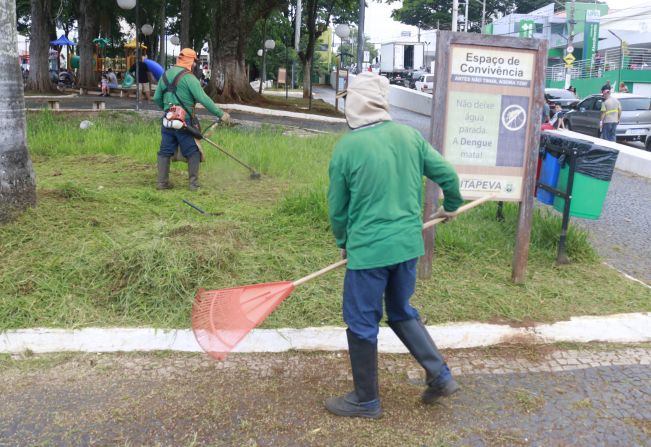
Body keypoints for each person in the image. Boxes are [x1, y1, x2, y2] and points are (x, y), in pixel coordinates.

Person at [325, 72, 463, 419]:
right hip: (406, 247)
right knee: (401, 310)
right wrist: (451, 206)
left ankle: (365, 400)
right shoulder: (409, 136)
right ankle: (441, 376)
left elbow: (338, 210)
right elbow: (447, 174)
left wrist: (344, 242)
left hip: (369, 251)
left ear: (354, 103)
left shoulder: (347, 148)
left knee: (361, 322)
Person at [153, 48, 231, 191]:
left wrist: (167, 110)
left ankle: (162, 183)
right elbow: (204, 99)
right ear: (191, 62)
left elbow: (157, 98)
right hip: (185, 122)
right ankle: (193, 184)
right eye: (195, 62)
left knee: (165, 151)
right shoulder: (189, 78)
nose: (195, 65)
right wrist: (221, 114)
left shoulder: (165, 75)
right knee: (193, 151)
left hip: (167, 120)